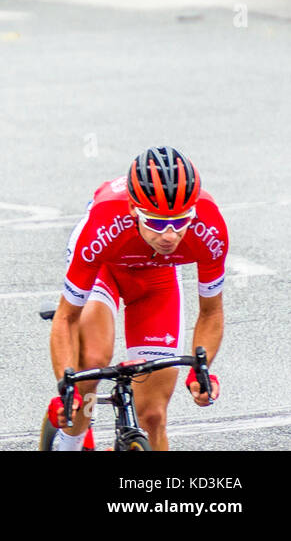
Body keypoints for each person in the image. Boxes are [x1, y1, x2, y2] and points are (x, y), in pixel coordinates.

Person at [45, 147, 224, 451]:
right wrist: (67, 387)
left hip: (157, 279)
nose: (169, 235)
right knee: (93, 360)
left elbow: (210, 313)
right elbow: (66, 318)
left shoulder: (209, 228)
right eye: (155, 222)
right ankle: (71, 441)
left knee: (153, 415)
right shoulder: (101, 225)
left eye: (180, 221)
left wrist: (200, 370)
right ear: (132, 209)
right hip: (104, 270)